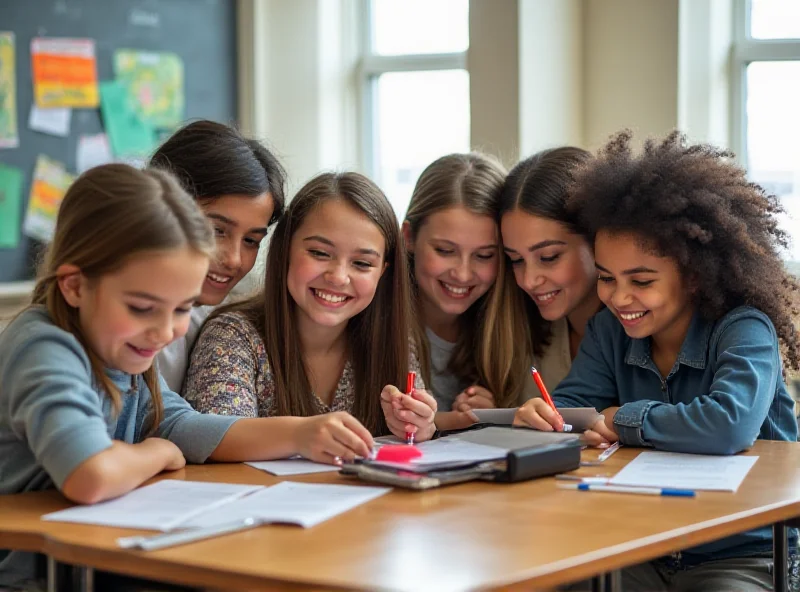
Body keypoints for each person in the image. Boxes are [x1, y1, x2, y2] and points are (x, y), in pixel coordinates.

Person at [0, 165, 340, 590]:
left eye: (182, 309)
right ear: (74, 286)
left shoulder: (119, 347)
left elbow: (181, 425)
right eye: (142, 308)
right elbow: (90, 475)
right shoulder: (44, 346)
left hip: (103, 560)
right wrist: (157, 452)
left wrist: (300, 433)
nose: (164, 332)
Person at [515, 130, 800, 591]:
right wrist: (548, 416)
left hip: (744, 553)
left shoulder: (744, 329)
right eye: (606, 278)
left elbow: (729, 424)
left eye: (641, 281)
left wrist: (624, 419)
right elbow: (572, 405)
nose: (618, 297)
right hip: (639, 545)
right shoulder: (609, 329)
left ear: (692, 275)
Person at [184, 172, 438, 445]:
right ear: (285, 249)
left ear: (383, 273)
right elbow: (215, 440)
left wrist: (419, 427)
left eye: (362, 263)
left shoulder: (393, 341)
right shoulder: (233, 336)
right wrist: (298, 436)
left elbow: (413, 437)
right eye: (319, 253)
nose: (339, 277)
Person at [151, 120, 286, 392]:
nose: (234, 259)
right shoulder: (103, 324)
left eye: (251, 241)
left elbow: (178, 419)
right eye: (216, 230)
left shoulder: (216, 326)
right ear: (159, 208)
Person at [403, 153, 530, 431]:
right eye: (445, 251)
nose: (462, 273)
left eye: (484, 255)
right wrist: (453, 422)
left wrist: (492, 414)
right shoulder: (377, 313)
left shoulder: (513, 320)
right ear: (409, 237)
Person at [498, 146, 601, 392]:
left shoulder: (645, 332)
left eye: (548, 257)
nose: (529, 281)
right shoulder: (527, 334)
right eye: (516, 260)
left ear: (597, 240)